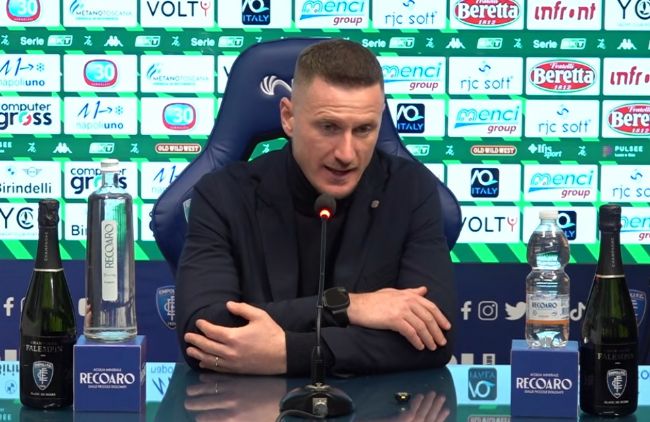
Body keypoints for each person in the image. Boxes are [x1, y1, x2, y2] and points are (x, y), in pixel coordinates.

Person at [176, 38, 456, 377]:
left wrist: (291, 353)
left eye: (364, 129)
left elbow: (434, 339)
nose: (346, 154)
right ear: (289, 117)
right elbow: (204, 331)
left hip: (372, 403)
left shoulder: (409, 189)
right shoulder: (222, 195)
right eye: (329, 127)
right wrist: (347, 306)